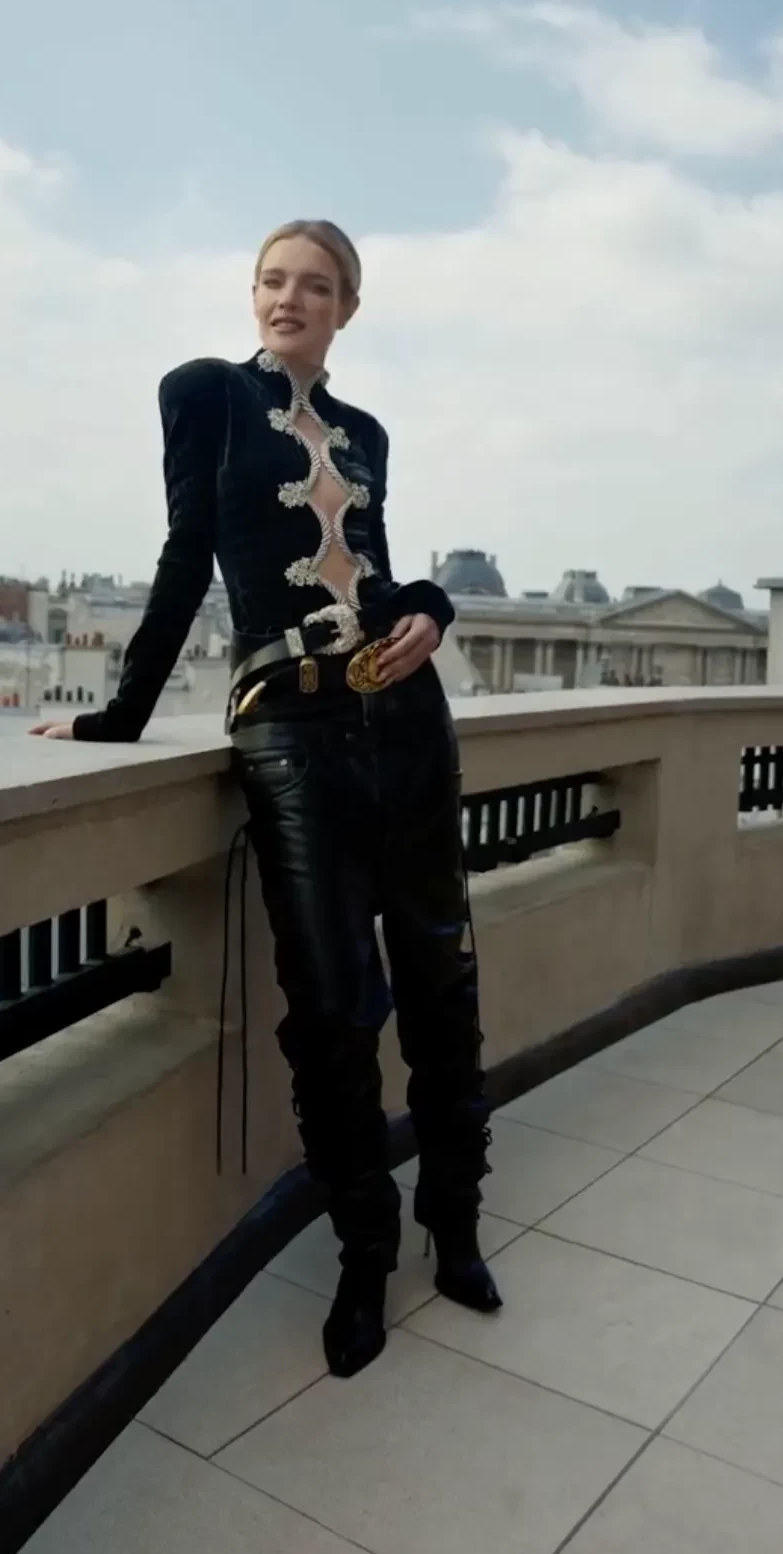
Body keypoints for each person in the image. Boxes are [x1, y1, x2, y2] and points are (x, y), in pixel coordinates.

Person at [31, 219, 501, 1377]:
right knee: (332, 1009)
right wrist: (118, 715)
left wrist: (432, 605)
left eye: (317, 285)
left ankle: (454, 1217)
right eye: (272, 280)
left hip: (408, 722)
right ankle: (364, 1249)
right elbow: (186, 552)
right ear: (252, 294)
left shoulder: (365, 433)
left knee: (441, 981)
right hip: (289, 727)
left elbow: (376, 572)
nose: (290, 298)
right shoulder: (205, 393)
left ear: (348, 309)